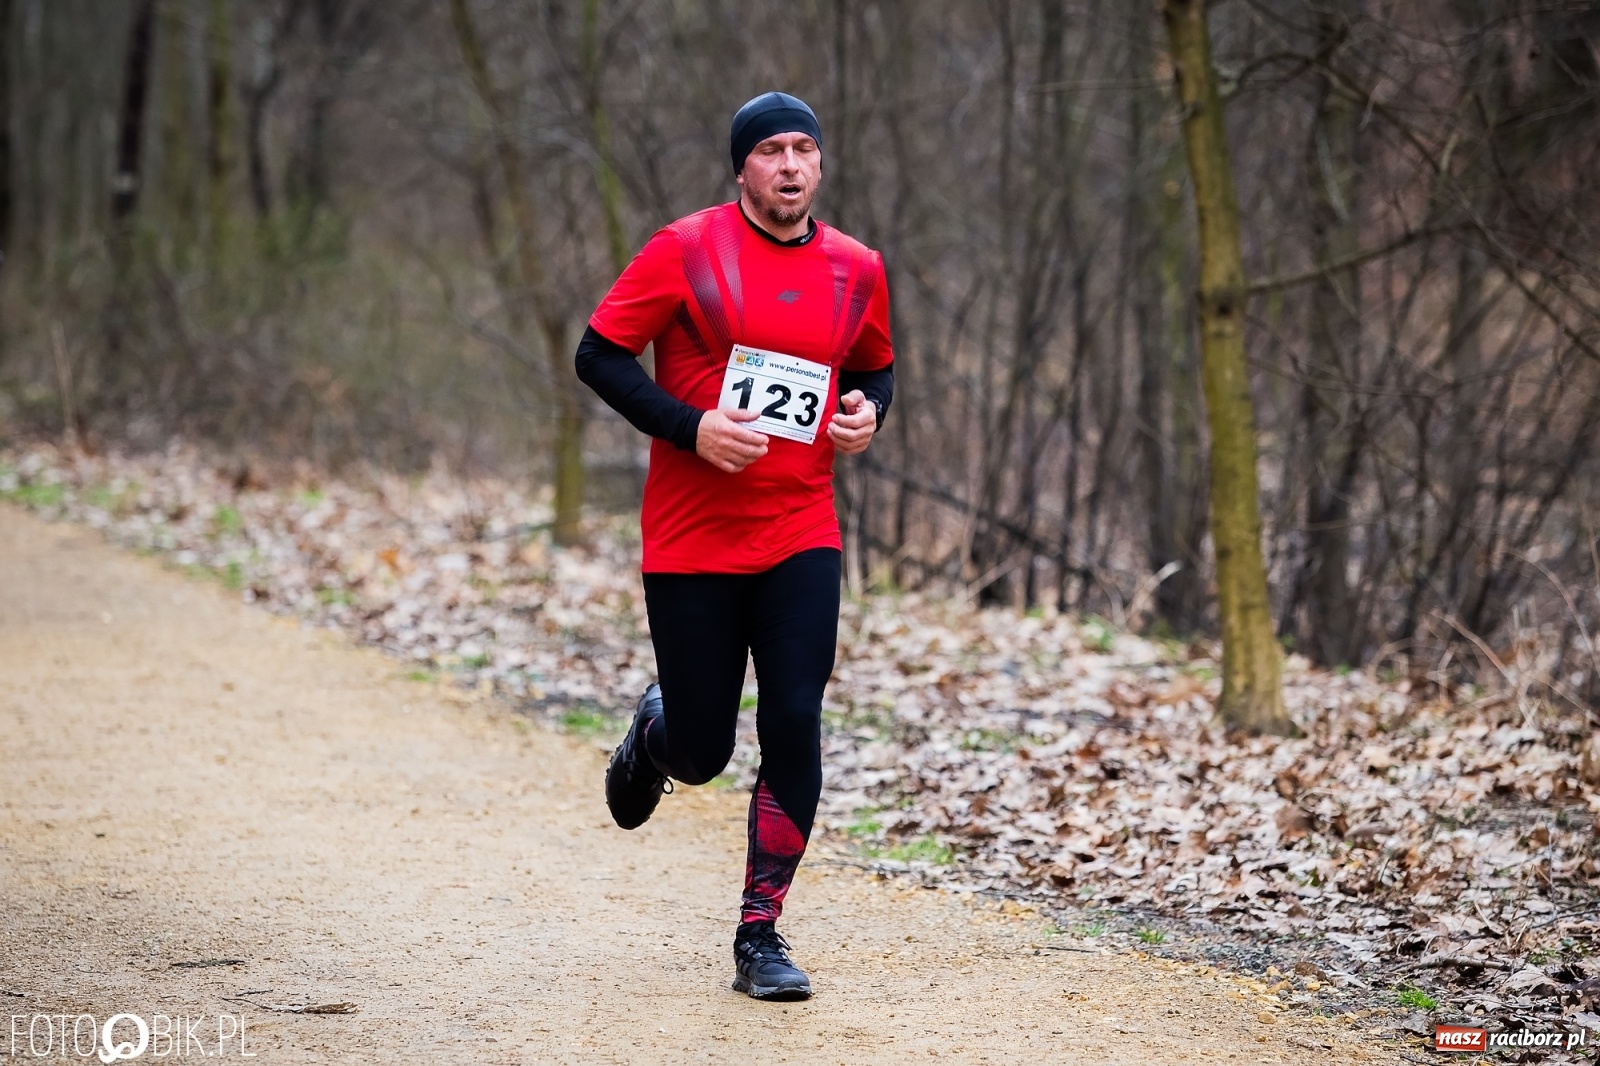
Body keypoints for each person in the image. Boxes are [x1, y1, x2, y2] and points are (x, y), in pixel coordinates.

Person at [573, 90, 894, 1001]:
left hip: (801, 531)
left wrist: (869, 415)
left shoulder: (857, 268)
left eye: (804, 149)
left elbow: (873, 367)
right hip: (692, 539)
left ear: (821, 164)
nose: (790, 165)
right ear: (742, 167)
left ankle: (761, 935)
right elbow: (598, 353)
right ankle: (655, 732)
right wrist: (690, 427)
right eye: (771, 152)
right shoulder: (686, 249)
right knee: (706, 751)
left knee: (795, 714)